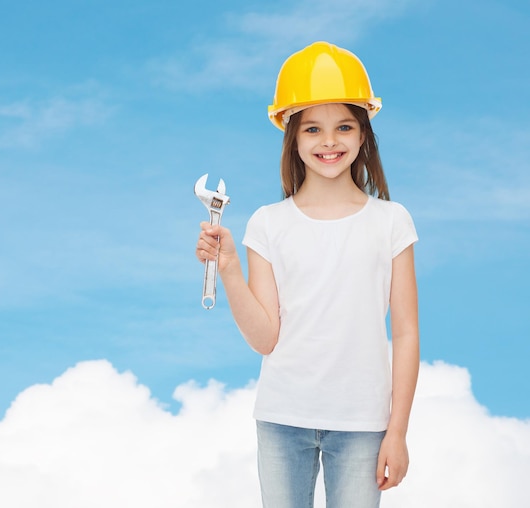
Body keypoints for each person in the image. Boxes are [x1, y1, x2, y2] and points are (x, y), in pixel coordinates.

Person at [195, 41, 419, 508]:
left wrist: (397, 432)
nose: (329, 141)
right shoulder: (268, 224)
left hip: (363, 424)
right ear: (293, 137)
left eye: (344, 127)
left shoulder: (392, 221)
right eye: (313, 129)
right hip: (282, 419)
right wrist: (230, 269)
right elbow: (265, 338)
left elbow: (406, 332)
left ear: (363, 135)